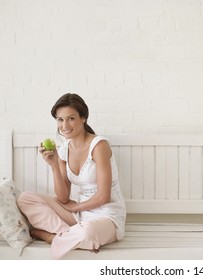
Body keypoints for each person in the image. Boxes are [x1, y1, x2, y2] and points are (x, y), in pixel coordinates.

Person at [17, 93, 126, 259]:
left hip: (106, 215)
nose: (64, 125)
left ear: (83, 118)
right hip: (80, 214)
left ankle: (51, 236)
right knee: (25, 198)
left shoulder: (99, 146)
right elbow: (63, 197)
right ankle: (70, 235)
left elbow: (104, 196)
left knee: (88, 233)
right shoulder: (63, 149)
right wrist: (54, 165)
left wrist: (74, 207)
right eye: (60, 119)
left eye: (71, 118)